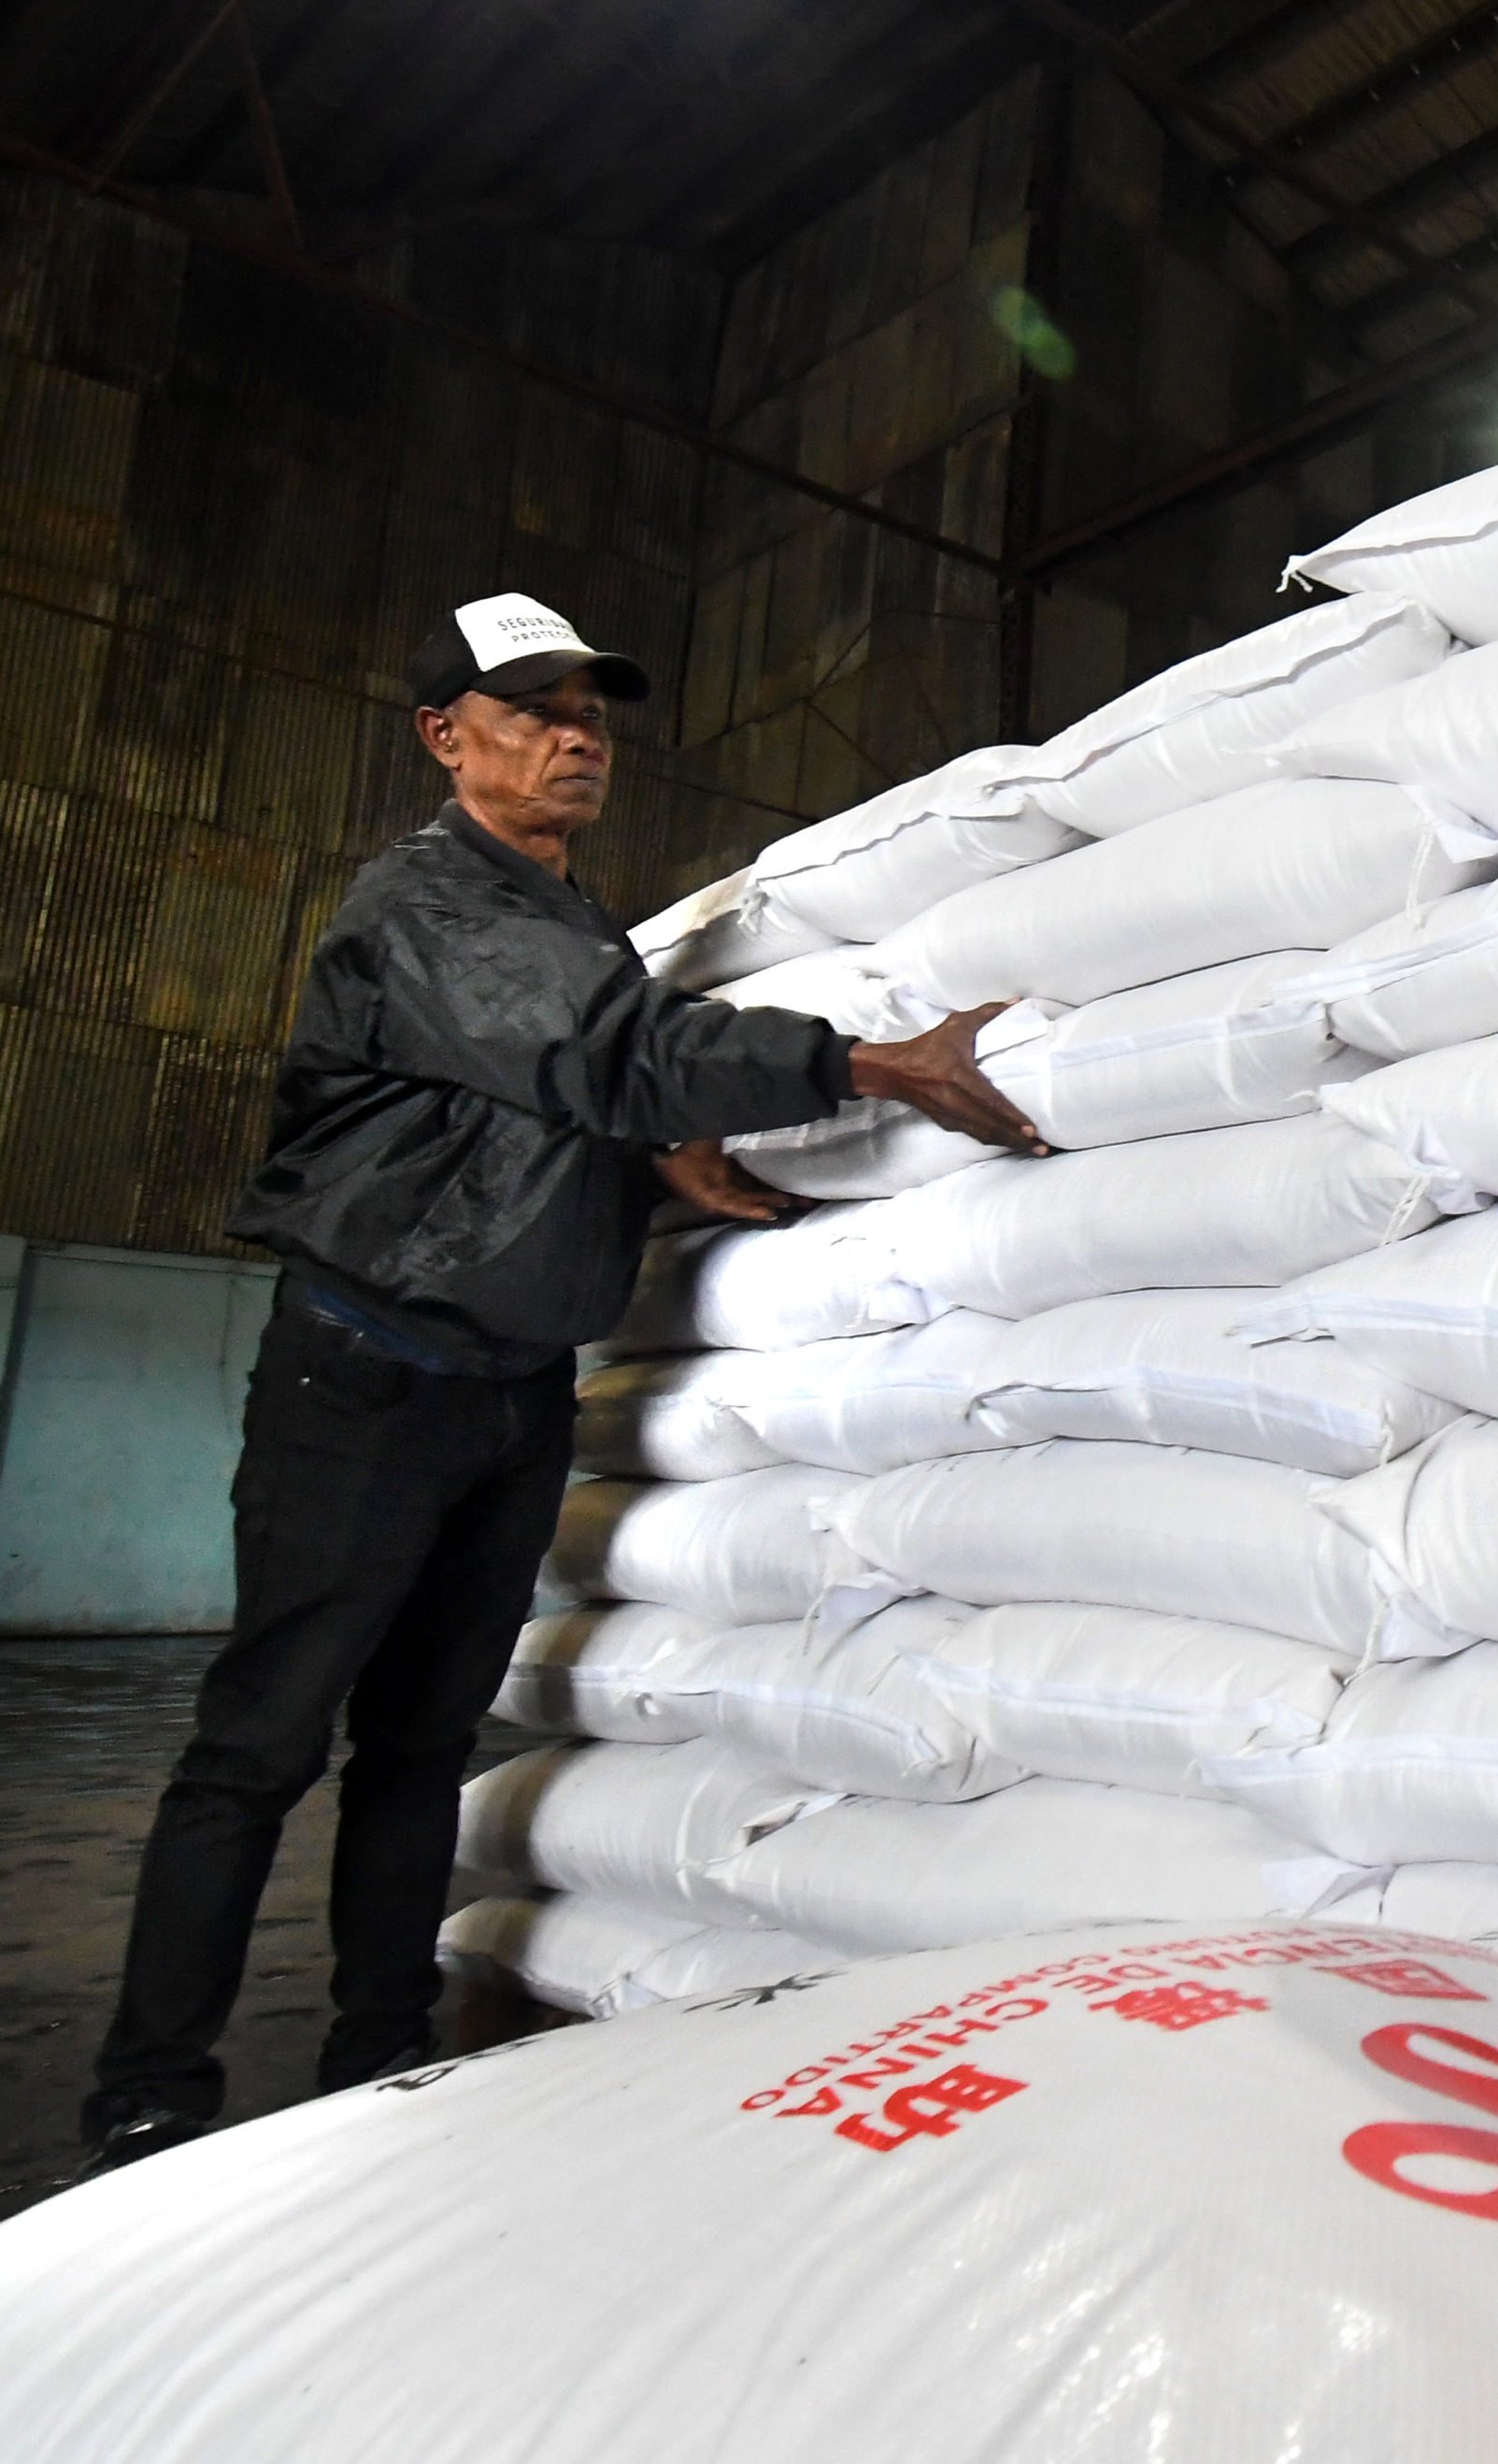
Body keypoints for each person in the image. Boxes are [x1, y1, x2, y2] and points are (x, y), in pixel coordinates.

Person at [77, 593, 1042, 2175]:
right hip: (369, 1379)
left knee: (419, 1744)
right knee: (260, 1742)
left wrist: (666, 1165)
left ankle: (380, 2048)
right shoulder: (431, 907)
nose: (577, 733)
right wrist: (872, 1066)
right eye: (530, 706)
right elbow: (609, 1050)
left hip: (511, 1394)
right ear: (444, 734)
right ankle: (151, 2088)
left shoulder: (568, 919)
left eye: (592, 707)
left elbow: (558, 1099)